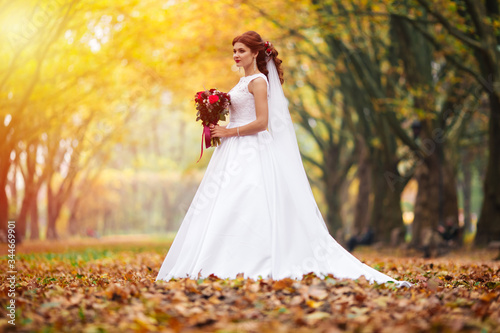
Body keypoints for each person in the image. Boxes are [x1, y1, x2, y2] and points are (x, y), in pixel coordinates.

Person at [155, 31, 411, 287]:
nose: (236, 55)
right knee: (226, 202)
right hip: (233, 149)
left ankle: (255, 260)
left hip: (251, 148)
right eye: (234, 51)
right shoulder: (242, 82)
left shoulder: (258, 82)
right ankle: (219, 260)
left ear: (255, 53)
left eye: (242, 50)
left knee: (248, 199)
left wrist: (228, 131)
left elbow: (262, 123)